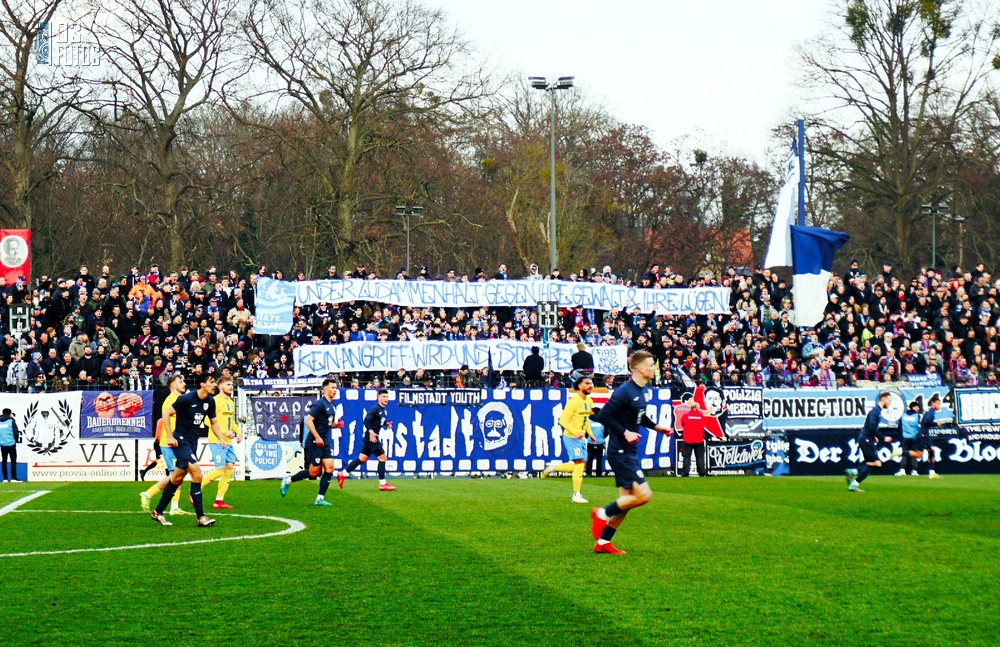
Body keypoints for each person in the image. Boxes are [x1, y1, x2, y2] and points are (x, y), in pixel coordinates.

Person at [590, 350, 673, 554]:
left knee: (626, 502)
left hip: (629, 450)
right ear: (641, 368)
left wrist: (656, 427)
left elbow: (639, 416)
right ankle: (601, 512)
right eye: (652, 364)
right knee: (643, 495)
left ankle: (602, 543)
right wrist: (625, 431)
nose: (654, 368)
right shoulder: (624, 391)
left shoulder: (643, 390)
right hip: (619, 451)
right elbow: (604, 416)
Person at [150, 373, 221, 527]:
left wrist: (221, 438)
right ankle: (201, 517)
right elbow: (166, 414)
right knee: (198, 474)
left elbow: (214, 423)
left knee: (176, 479)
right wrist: (169, 436)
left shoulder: (210, 401)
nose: (215, 385)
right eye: (212, 382)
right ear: (202, 384)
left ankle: (157, 512)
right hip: (180, 442)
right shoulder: (186, 399)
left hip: (192, 443)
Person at [280, 378, 344, 504]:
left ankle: (320, 498)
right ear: (325, 389)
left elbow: (326, 423)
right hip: (315, 442)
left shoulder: (333, 405)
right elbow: (308, 420)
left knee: (329, 468)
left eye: (336, 388)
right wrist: (317, 437)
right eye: (332, 388)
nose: (335, 390)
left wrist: (335, 425)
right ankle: (288, 480)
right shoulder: (320, 404)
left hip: (324, 441)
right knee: (313, 473)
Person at [541, 371, 597, 503]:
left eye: (591, 383)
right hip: (571, 437)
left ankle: (553, 467)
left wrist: (591, 433)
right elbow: (563, 420)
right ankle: (576, 495)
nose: (590, 385)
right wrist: (575, 431)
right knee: (579, 464)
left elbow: (586, 419)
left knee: (581, 466)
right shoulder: (573, 402)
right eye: (587, 383)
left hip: (581, 438)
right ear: (579, 386)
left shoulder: (589, 401)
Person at [140, 374, 191, 515]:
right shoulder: (171, 400)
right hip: (170, 443)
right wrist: (171, 437)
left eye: (184, 381)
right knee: (176, 475)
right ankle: (149, 493)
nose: (184, 383)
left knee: (179, 475)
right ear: (173, 385)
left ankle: (174, 507)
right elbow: (165, 420)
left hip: (176, 442)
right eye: (181, 381)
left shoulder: (178, 399)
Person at [338, 389, 396, 491]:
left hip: (370, 438)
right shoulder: (375, 409)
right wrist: (371, 432)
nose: (386, 399)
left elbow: (379, 420)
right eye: (383, 397)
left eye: (387, 397)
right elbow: (366, 420)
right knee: (382, 458)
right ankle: (382, 484)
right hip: (371, 438)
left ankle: (342, 474)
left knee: (362, 459)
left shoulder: (383, 410)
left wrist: (386, 424)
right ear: (378, 398)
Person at [845, 391, 901, 492]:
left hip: (866, 438)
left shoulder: (875, 411)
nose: (890, 402)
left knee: (875, 464)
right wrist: (882, 438)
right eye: (889, 400)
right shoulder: (876, 412)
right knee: (875, 464)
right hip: (866, 439)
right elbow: (871, 427)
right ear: (883, 399)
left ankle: (853, 472)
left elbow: (869, 427)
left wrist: (873, 436)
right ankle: (854, 483)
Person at [201, 375, 240, 509]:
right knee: (220, 469)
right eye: (228, 384)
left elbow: (231, 421)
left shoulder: (230, 402)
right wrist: (224, 432)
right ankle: (195, 489)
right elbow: (206, 420)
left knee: (229, 469)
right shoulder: (214, 401)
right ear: (220, 386)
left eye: (231, 385)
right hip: (216, 440)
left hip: (228, 441)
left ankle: (219, 500)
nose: (231, 387)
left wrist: (238, 432)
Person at [679, 394, 709, 477]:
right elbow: (703, 424)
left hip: (688, 439)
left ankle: (685, 473)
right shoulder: (701, 416)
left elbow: (682, 424)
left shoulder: (685, 416)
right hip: (699, 440)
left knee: (686, 457)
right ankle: (702, 472)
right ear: (696, 408)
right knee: (699, 457)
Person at [920, 395, 945, 480]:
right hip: (923, 434)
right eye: (938, 404)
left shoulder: (930, 412)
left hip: (924, 433)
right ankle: (900, 452)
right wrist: (935, 424)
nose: (939, 406)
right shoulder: (931, 412)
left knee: (931, 452)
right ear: (933, 403)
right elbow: (926, 422)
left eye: (940, 404)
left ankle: (932, 472)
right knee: (919, 453)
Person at [896, 400, 922, 476]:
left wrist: (903, 435)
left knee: (904, 454)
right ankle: (914, 470)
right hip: (914, 438)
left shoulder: (903, 415)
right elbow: (920, 427)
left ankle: (902, 470)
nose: (918, 408)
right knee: (914, 454)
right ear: (913, 407)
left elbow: (899, 427)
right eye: (917, 407)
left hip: (905, 438)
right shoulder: (917, 416)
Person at [0, 408, 20, 482]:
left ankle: (5, 478)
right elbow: (15, 432)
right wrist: (16, 440)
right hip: (11, 444)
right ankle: (13, 478)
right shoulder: (11, 421)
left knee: (4, 461)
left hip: (2, 444)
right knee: (13, 461)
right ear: (9, 414)